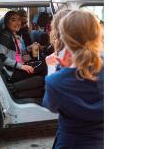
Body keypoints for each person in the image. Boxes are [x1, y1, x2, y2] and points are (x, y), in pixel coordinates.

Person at [43, 10, 104, 149]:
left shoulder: (55, 82)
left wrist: (58, 70)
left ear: (64, 38)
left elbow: (50, 106)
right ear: (98, 34)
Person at [0, 11, 46, 98]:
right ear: (6, 22)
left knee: (41, 75)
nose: (17, 23)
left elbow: (17, 55)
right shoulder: (5, 36)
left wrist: (28, 49)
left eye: (19, 20)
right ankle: (12, 88)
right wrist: (22, 66)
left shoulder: (12, 35)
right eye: (13, 20)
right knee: (44, 64)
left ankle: (18, 95)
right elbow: (0, 57)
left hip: (15, 67)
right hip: (11, 72)